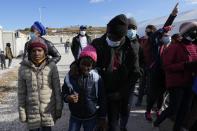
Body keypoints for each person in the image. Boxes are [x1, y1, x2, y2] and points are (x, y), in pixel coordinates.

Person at [91, 14, 140, 131]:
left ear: (123, 36)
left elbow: (135, 73)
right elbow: (84, 59)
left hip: (116, 94)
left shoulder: (131, 48)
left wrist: (121, 92)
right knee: (97, 124)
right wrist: (75, 67)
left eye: (116, 38)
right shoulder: (97, 43)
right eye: (110, 35)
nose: (112, 39)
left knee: (113, 125)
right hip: (99, 92)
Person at [153, 21, 197, 131]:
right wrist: (185, 65)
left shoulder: (195, 47)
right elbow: (166, 66)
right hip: (176, 82)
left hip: (189, 82)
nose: (195, 33)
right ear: (185, 32)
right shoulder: (174, 47)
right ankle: (157, 121)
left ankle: (177, 128)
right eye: (193, 30)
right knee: (174, 107)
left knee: (185, 109)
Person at [18, 37, 63, 131]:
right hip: (32, 112)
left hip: (48, 111)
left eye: (39, 50)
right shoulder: (23, 68)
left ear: (45, 52)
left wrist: (59, 107)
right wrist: (22, 112)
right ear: (29, 53)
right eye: (33, 51)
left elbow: (57, 89)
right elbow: (21, 93)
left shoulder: (51, 66)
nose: (37, 53)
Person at [144, 3, 178, 121]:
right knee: (153, 93)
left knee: (162, 94)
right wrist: (170, 19)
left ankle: (159, 110)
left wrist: (172, 16)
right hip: (154, 72)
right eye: (164, 35)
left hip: (165, 73)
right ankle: (148, 111)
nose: (167, 37)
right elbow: (155, 35)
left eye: (168, 35)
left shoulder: (170, 47)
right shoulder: (155, 44)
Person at [62, 45, 107, 131]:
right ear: (79, 62)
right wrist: (67, 97)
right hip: (75, 116)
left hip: (91, 116)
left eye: (88, 65)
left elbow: (102, 98)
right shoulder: (70, 76)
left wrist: (102, 117)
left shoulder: (97, 78)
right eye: (83, 64)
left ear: (93, 65)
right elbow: (63, 92)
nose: (85, 68)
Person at [136, 25, 157, 106]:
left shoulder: (154, 40)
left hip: (151, 66)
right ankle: (139, 100)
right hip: (143, 65)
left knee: (150, 85)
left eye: (149, 30)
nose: (147, 32)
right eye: (146, 30)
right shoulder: (142, 40)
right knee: (142, 84)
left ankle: (149, 102)